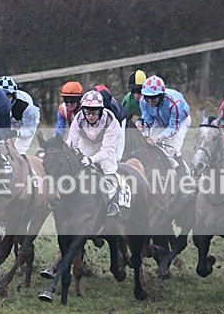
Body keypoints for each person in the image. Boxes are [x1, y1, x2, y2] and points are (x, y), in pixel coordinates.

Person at [66, 89, 123, 217]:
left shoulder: (111, 122)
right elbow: (71, 142)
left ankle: (113, 203)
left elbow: (107, 150)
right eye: (88, 112)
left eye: (94, 112)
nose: (91, 116)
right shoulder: (78, 118)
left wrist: (91, 160)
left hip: (106, 143)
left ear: (101, 111)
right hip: (87, 142)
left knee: (109, 169)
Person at [137, 75, 192, 168]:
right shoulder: (143, 101)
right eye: (147, 97)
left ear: (161, 95)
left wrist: (158, 138)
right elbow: (148, 118)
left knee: (171, 150)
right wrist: (144, 126)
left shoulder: (175, 104)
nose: (150, 101)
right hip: (160, 120)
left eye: (153, 97)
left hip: (180, 121)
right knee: (149, 145)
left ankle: (184, 175)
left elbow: (173, 128)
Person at [0, 75, 40, 155]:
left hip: (27, 121)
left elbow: (28, 131)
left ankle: (26, 167)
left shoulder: (26, 106)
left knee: (20, 151)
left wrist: (16, 133)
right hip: (11, 118)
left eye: (8, 96)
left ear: (14, 96)